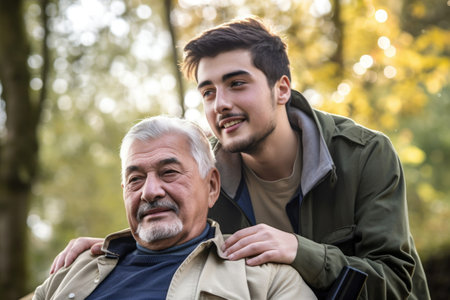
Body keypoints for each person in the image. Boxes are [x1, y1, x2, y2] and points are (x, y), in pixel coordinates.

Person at [50, 17, 430, 299]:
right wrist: (116, 249)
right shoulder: (205, 174)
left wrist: (301, 252)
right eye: (208, 92)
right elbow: (178, 232)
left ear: (281, 89)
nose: (221, 104)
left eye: (236, 84)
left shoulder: (365, 155)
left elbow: (396, 283)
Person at [32, 116, 316, 300]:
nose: (150, 192)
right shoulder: (74, 271)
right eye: (135, 179)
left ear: (212, 186)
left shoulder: (265, 278)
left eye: (169, 172)